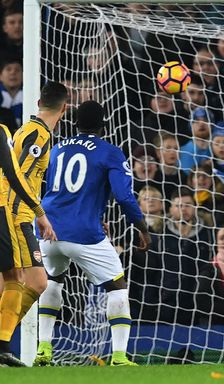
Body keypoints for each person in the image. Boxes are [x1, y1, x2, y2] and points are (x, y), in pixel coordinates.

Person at [34, 101, 150, 367]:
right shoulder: (110, 152)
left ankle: (44, 349)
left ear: (74, 124)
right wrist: (142, 227)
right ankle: (120, 356)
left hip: (48, 229)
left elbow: (58, 190)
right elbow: (123, 196)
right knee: (117, 287)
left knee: (53, 281)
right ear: (104, 125)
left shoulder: (57, 148)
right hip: (83, 233)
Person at [0, 83, 68, 365]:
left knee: (21, 283)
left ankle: (3, 340)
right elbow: (18, 176)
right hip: (15, 214)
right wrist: (39, 214)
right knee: (36, 282)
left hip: (18, 213)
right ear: (65, 108)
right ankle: (2, 343)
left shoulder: (26, 130)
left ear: (39, 101)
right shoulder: (38, 135)